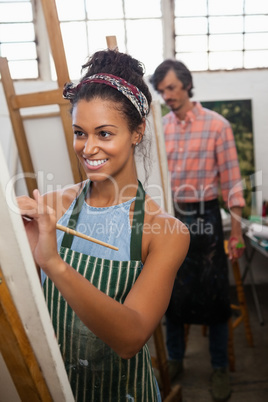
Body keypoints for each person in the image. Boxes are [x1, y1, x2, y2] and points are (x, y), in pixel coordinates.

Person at [17, 50, 190, 402]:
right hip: (57, 387)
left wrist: (53, 263)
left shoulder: (165, 232)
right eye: (80, 133)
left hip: (125, 392)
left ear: (137, 132)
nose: (88, 147)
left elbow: (130, 338)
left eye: (105, 133)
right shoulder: (50, 207)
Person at [150, 59, 245, 401]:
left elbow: (233, 184)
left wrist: (235, 232)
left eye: (172, 88)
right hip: (172, 219)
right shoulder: (160, 129)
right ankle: (175, 361)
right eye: (161, 91)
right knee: (170, 295)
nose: (167, 96)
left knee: (217, 296)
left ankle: (219, 367)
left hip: (206, 219)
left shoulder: (217, 126)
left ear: (187, 85)